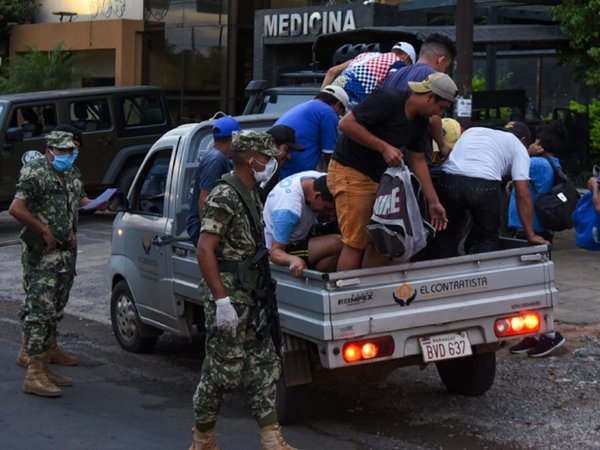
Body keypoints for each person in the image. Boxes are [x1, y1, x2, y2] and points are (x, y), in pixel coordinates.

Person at [191, 130, 296, 450]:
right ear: (252, 160)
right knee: (223, 371)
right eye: (267, 157)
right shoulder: (225, 195)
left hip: (253, 294)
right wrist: (221, 301)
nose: (272, 162)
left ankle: (271, 437)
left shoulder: (253, 192)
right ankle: (202, 439)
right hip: (230, 296)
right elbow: (204, 249)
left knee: (265, 365)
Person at [9, 128, 106, 398]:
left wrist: (82, 219)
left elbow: (71, 204)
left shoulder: (71, 173)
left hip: (64, 252)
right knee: (39, 311)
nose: (68, 155)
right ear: (49, 150)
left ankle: (45, 362)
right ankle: (34, 373)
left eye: (71, 151)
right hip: (41, 253)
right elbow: (16, 208)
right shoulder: (35, 172)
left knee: (54, 308)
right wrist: (43, 228)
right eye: (62, 151)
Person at [328, 72, 458, 271]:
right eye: (440, 108)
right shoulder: (387, 99)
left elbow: (417, 160)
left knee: (383, 238)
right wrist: (383, 147)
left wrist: (433, 202)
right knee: (356, 241)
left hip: (381, 179)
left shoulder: (420, 121)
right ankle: (347, 297)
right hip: (351, 171)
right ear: (429, 97)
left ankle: (371, 293)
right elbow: (345, 124)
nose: (438, 115)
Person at [434, 121, 549, 258]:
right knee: (487, 238)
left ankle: (444, 275)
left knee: (447, 233)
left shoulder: (473, 131)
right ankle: (480, 275)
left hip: (450, 179)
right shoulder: (519, 146)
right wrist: (530, 235)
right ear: (524, 140)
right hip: (484, 184)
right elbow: (522, 192)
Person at [507, 120, 568, 357]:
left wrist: (525, 153)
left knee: (532, 285)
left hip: (531, 231)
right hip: (539, 229)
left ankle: (551, 335)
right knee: (530, 283)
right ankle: (534, 333)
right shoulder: (553, 162)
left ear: (540, 142)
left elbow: (509, 169)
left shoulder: (535, 162)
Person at [381, 33, 457, 160]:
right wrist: (442, 145)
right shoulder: (433, 77)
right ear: (441, 59)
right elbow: (433, 118)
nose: (444, 71)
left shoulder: (395, 74)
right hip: (410, 155)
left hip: (388, 151)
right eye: (446, 67)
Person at [264, 171, 341, 276]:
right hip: (282, 248)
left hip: (302, 232)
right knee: (339, 243)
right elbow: (274, 253)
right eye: (329, 208)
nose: (332, 213)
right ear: (317, 197)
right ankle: (314, 282)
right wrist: (292, 260)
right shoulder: (288, 210)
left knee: (335, 248)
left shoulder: (318, 178)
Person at [186, 116, 241, 247]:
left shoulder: (219, 156)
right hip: (202, 227)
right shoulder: (216, 160)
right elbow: (204, 199)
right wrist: (208, 235)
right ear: (233, 139)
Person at [273, 85, 348, 179]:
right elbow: (329, 153)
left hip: (281, 167)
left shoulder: (309, 105)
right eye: (340, 113)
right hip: (296, 172)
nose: (338, 117)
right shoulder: (329, 113)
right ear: (338, 104)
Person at [321, 41, 416, 107]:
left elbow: (332, 71)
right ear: (406, 57)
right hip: (352, 97)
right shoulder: (399, 62)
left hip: (331, 92)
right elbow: (392, 84)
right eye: (410, 65)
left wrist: (319, 99)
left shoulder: (365, 55)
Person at [259, 124, 305, 202]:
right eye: (286, 150)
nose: (289, 157)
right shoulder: (256, 168)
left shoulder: (274, 170)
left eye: (291, 152)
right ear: (273, 144)